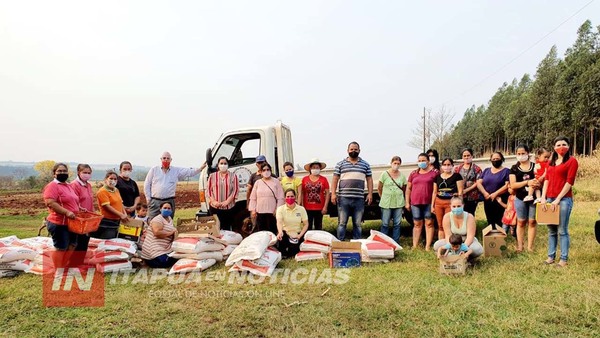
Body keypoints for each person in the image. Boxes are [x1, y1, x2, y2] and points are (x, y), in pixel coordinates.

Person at [540, 136, 579, 267]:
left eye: (564, 144)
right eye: (558, 145)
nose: (561, 147)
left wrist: (557, 199)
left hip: (563, 200)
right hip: (549, 199)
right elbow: (546, 180)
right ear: (554, 147)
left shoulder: (572, 161)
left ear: (568, 146)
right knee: (551, 230)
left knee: (562, 230)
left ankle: (563, 259)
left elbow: (569, 182)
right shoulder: (551, 162)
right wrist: (543, 198)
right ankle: (550, 257)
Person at [43, 163, 89, 267]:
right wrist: (67, 212)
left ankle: (64, 265)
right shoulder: (52, 186)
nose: (62, 173)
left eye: (64, 171)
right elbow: (51, 202)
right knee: (61, 247)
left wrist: (79, 208)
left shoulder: (68, 185)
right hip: (59, 222)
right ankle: (58, 270)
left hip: (72, 222)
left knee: (72, 245)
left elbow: (72, 200)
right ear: (54, 174)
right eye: (59, 171)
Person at [331, 142, 373, 240]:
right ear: (348, 151)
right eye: (351, 149)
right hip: (343, 198)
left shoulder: (365, 164)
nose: (353, 151)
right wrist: (333, 194)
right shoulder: (340, 164)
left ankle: (356, 242)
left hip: (359, 199)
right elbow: (335, 179)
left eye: (355, 149)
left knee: (357, 224)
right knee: (342, 223)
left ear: (359, 150)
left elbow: (369, 179)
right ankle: (340, 242)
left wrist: (370, 194)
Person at [144, 151, 203, 221]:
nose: (166, 160)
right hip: (155, 202)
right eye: (164, 158)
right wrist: (148, 199)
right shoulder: (154, 170)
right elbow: (147, 184)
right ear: (161, 159)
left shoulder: (175, 170)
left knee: (168, 223)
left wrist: (200, 168)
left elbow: (189, 172)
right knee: (152, 222)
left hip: (169, 202)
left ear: (171, 160)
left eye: (168, 158)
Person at [509, 144, 540, 253]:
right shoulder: (513, 168)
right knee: (521, 222)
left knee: (532, 221)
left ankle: (530, 247)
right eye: (519, 154)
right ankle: (520, 246)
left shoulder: (535, 166)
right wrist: (527, 182)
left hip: (534, 198)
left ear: (528, 153)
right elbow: (513, 185)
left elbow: (540, 179)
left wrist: (537, 184)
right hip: (520, 198)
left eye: (523, 153)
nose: (521, 156)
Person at [405, 153, 438, 250]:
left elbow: (436, 189)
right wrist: (407, 202)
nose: (421, 162)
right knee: (417, 224)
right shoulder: (413, 173)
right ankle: (415, 245)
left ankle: (427, 246)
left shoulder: (435, 173)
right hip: (415, 203)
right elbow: (408, 189)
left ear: (428, 161)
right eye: (419, 161)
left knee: (429, 223)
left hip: (428, 202)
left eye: (423, 160)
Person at [432, 158, 463, 241]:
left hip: (451, 203)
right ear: (442, 166)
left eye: (449, 164)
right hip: (438, 202)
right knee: (440, 225)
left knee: (449, 224)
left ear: (452, 166)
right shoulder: (437, 177)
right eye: (444, 165)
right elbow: (435, 192)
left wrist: (459, 203)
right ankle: (441, 244)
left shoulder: (457, 176)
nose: (446, 167)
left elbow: (460, 191)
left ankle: (451, 243)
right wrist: (432, 205)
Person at [248, 163, 284, 234]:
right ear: (260, 172)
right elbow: (253, 198)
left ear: (271, 171)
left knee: (272, 231)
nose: (266, 171)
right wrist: (253, 210)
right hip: (260, 212)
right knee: (261, 232)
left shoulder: (276, 181)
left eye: (268, 170)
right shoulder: (258, 182)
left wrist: (277, 209)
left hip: (272, 212)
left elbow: (280, 197)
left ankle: (273, 245)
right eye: (264, 170)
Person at [377, 156, 406, 243]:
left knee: (397, 224)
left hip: (398, 203)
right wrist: (382, 196)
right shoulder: (384, 174)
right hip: (386, 203)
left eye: (398, 163)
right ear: (391, 163)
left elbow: (404, 188)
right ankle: (383, 242)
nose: (396, 165)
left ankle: (395, 242)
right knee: (385, 224)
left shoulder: (402, 176)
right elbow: (379, 187)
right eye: (394, 163)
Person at [477, 152, 510, 228]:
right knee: (489, 219)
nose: (495, 160)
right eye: (494, 159)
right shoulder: (486, 171)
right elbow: (479, 183)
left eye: (497, 159)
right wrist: (485, 193)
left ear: (502, 159)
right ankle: (490, 235)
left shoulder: (506, 171)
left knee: (499, 220)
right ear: (491, 160)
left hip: (500, 199)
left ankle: (499, 236)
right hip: (488, 199)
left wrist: (496, 194)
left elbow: (507, 185)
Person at [141, 202, 178, 268]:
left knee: (177, 256)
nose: (167, 210)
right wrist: (171, 233)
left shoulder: (169, 219)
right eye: (165, 208)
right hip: (154, 249)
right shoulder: (157, 219)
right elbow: (157, 233)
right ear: (160, 209)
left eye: (169, 208)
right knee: (165, 262)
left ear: (171, 210)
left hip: (165, 248)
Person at [207, 156, 239, 231]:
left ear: (228, 165)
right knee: (216, 228)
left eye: (225, 163)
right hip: (215, 207)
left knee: (227, 228)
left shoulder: (233, 176)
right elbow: (208, 190)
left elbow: (235, 190)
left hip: (228, 208)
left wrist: (227, 202)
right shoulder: (212, 176)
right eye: (221, 163)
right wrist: (214, 201)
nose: (223, 165)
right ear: (218, 165)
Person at [93, 171, 128, 239]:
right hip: (107, 221)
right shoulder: (102, 191)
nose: (113, 181)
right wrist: (121, 214)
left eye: (115, 179)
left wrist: (124, 213)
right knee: (108, 240)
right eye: (111, 178)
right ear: (106, 179)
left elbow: (120, 203)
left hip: (117, 220)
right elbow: (107, 207)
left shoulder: (116, 190)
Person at [276, 189, 309, 258]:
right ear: (285, 198)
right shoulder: (280, 209)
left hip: (297, 235)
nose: (290, 198)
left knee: (293, 253)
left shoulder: (301, 209)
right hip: (285, 234)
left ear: (295, 197)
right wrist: (280, 232)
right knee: (281, 241)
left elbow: (306, 224)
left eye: (292, 196)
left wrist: (300, 235)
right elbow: (279, 222)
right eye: (287, 196)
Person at [299, 158, 330, 230]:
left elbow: (327, 193)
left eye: (317, 167)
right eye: (313, 167)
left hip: (319, 208)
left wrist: (325, 207)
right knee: (307, 226)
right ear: (310, 169)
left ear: (320, 168)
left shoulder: (324, 179)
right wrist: (302, 206)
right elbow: (302, 193)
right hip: (307, 208)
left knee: (318, 226)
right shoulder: (304, 179)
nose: (315, 169)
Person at [454, 148, 482, 216]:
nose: (466, 157)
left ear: (472, 156)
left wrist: (467, 190)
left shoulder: (477, 169)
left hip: (472, 196)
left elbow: (478, 182)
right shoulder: (458, 168)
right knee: (460, 214)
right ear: (462, 157)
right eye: (464, 156)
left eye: (468, 155)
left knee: (470, 214)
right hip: (460, 195)